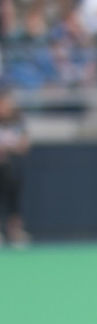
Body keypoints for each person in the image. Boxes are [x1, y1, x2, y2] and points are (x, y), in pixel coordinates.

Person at [0, 87, 29, 248]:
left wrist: (10, 147)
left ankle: (15, 232)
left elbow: (24, 144)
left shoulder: (17, 120)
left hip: (13, 166)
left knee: (14, 200)